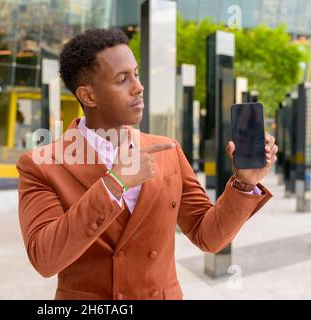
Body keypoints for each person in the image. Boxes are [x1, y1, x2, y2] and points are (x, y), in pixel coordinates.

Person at [17, 28, 277, 300]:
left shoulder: (168, 149)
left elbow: (207, 236)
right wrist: (113, 184)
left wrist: (244, 183)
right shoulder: (41, 165)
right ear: (89, 96)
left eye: (137, 74)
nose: (139, 87)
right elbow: (44, 259)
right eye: (122, 79)